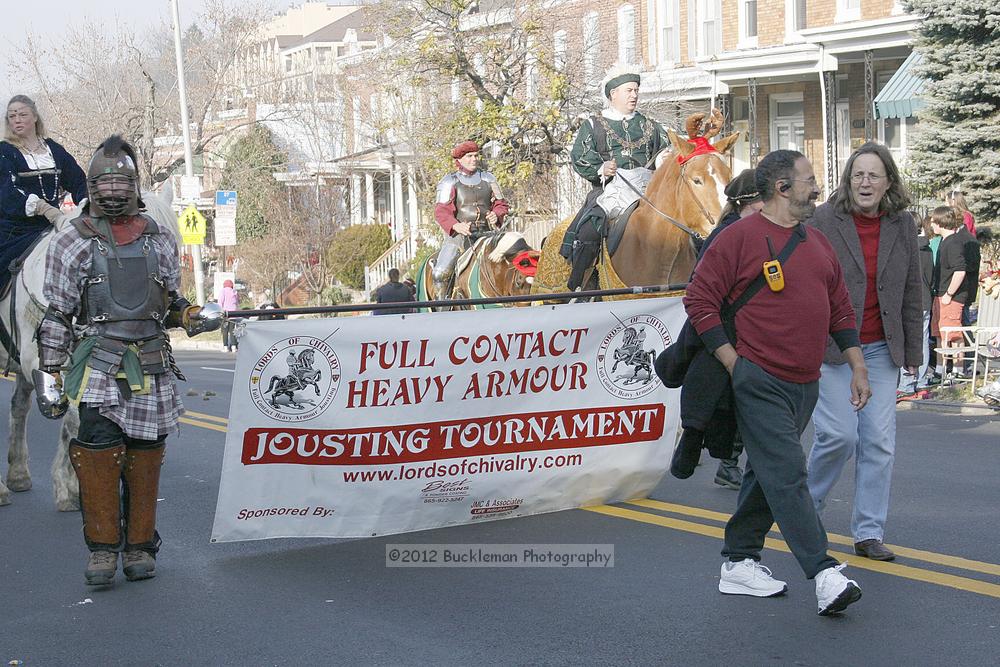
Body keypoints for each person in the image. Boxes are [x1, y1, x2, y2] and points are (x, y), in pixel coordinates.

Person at [685, 149, 869, 616]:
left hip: (805, 382)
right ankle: (824, 573)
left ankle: (740, 561)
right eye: (808, 179)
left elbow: (841, 308)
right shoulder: (737, 238)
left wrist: (857, 365)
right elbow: (699, 300)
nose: (817, 186)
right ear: (782, 189)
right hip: (758, 377)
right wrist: (734, 364)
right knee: (787, 472)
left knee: (766, 473)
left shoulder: (817, 243)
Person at [37, 135, 219, 586]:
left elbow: (170, 301)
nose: (114, 191)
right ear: (92, 186)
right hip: (99, 362)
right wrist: (50, 374)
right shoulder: (72, 243)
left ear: (135, 186)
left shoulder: (158, 240)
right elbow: (58, 313)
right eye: (105, 182)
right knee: (98, 451)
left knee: (146, 455)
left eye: (122, 182)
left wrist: (192, 314)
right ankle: (102, 551)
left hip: (151, 362)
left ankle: (139, 546)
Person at [806, 143, 923, 563]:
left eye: (874, 175)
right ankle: (806, 511)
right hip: (834, 348)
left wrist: (913, 347)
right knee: (839, 435)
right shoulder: (824, 220)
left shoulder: (902, 224)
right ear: (848, 180)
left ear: (888, 181)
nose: (865, 182)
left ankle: (869, 531)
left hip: (881, 349)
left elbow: (912, 288)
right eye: (858, 174)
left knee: (878, 442)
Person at [561, 68, 668, 290]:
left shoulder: (651, 125)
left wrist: (662, 162)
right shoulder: (593, 125)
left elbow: (665, 152)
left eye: (636, 90)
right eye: (629, 90)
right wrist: (601, 167)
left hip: (648, 190)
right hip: (608, 190)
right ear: (613, 94)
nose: (634, 95)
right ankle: (583, 284)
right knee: (589, 229)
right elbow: (580, 156)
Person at [698, 168, 763, 490]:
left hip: (752, 331)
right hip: (734, 331)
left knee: (745, 401)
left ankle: (735, 463)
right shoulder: (730, 233)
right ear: (749, 203)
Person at [0, 95, 87, 294]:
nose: (17, 119)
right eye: (12, 116)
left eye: (22, 114)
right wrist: (44, 208)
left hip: (54, 225)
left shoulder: (54, 150)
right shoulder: (4, 152)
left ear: (35, 118)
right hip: (15, 230)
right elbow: (9, 192)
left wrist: (87, 206)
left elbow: (79, 182)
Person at [431, 140, 509, 300]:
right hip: (458, 240)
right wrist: (456, 225)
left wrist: (497, 214)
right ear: (459, 159)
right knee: (440, 273)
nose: (474, 159)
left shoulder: (489, 178)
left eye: (475, 155)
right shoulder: (449, 181)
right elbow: (441, 212)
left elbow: (501, 204)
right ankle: (441, 310)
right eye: (469, 156)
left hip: (488, 236)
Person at [930, 206, 977, 378]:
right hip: (940, 294)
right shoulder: (944, 241)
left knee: (954, 334)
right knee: (940, 334)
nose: (931, 224)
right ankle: (940, 369)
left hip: (951, 297)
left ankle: (958, 370)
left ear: (941, 222)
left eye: (934, 221)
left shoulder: (954, 242)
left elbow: (960, 271)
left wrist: (949, 294)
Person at [897, 215, 935, 399]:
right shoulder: (928, 249)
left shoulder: (907, 249)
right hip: (926, 299)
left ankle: (907, 383)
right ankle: (921, 382)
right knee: (922, 339)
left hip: (910, 301)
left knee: (909, 339)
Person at [218, 279, 239, 352]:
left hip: (225, 314)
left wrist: (220, 312)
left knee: (225, 331)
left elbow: (220, 302)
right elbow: (236, 303)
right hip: (233, 314)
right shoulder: (235, 292)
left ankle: (225, 347)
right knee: (232, 331)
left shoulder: (223, 291)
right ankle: (234, 347)